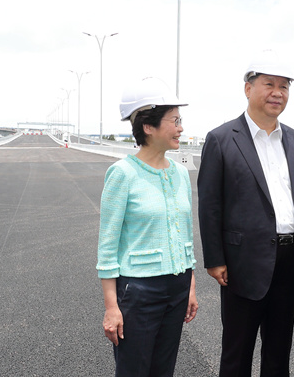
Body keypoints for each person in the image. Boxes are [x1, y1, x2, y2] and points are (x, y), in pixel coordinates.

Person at [198, 49, 294, 377]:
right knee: (237, 351)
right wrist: (214, 258)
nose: (277, 92)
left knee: (279, 350)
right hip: (242, 261)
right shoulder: (222, 139)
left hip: (290, 258)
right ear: (248, 88)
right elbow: (210, 205)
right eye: (269, 84)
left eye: (284, 86)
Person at [97, 76, 198, 377]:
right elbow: (107, 246)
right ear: (148, 126)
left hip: (177, 287)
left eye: (181, 120)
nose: (181, 127)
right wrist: (111, 307)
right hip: (139, 291)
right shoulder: (122, 174)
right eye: (175, 120)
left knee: (163, 371)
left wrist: (190, 286)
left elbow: (186, 235)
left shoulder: (180, 173)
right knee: (133, 371)